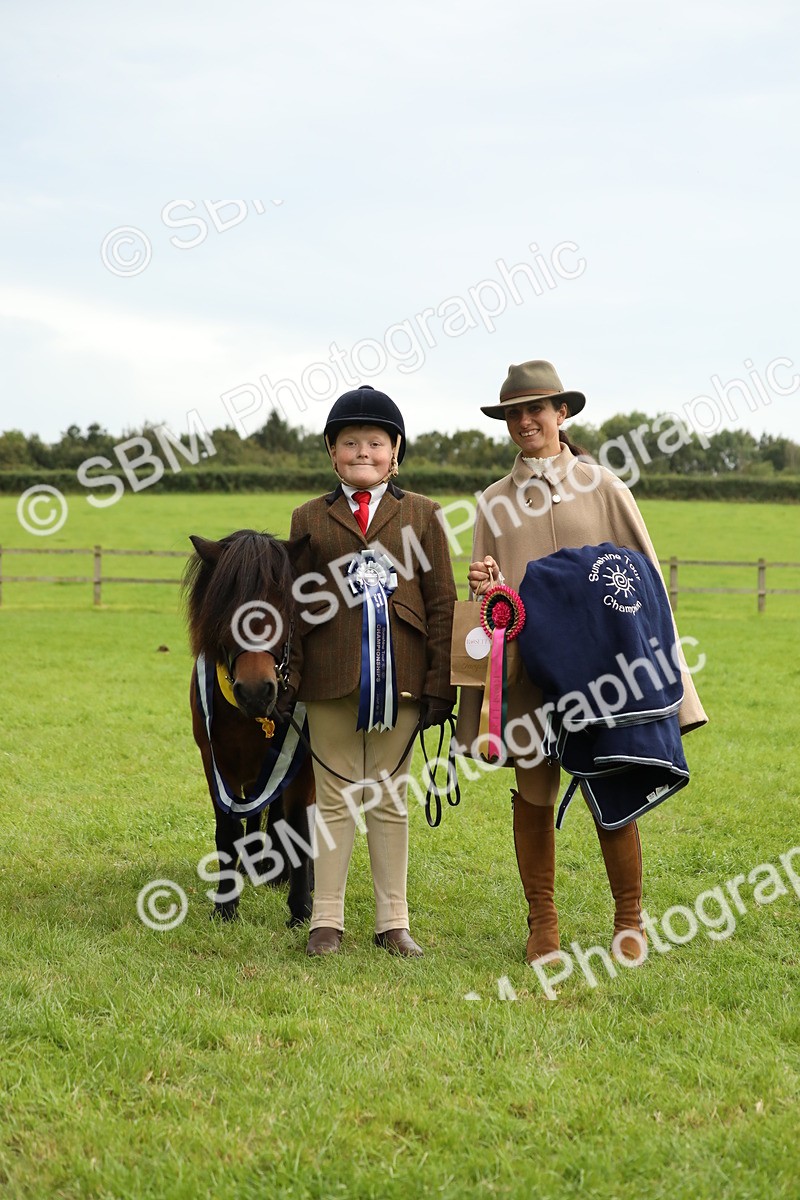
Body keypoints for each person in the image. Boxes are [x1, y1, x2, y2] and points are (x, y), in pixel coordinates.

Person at [455, 360, 707, 964]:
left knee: (613, 786)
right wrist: (486, 584)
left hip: (605, 672)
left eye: (535, 410)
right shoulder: (492, 503)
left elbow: (646, 582)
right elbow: (488, 606)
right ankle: (542, 922)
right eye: (513, 413)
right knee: (533, 791)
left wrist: (667, 673)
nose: (524, 422)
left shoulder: (604, 487)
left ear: (561, 413)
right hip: (531, 672)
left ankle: (629, 920)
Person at [290, 385, 456, 957]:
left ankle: (393, 922)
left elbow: (441, 603)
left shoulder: (424, 516)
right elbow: (295, 605)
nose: (364, 451)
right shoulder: (309, 516)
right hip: (330, 680)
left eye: (376, 443)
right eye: (351, 442)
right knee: (333, 799)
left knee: (389, 799)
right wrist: (292, 683)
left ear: (396, 450)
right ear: (332, 452)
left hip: (403, 682)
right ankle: (326, 922)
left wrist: (440, 686)